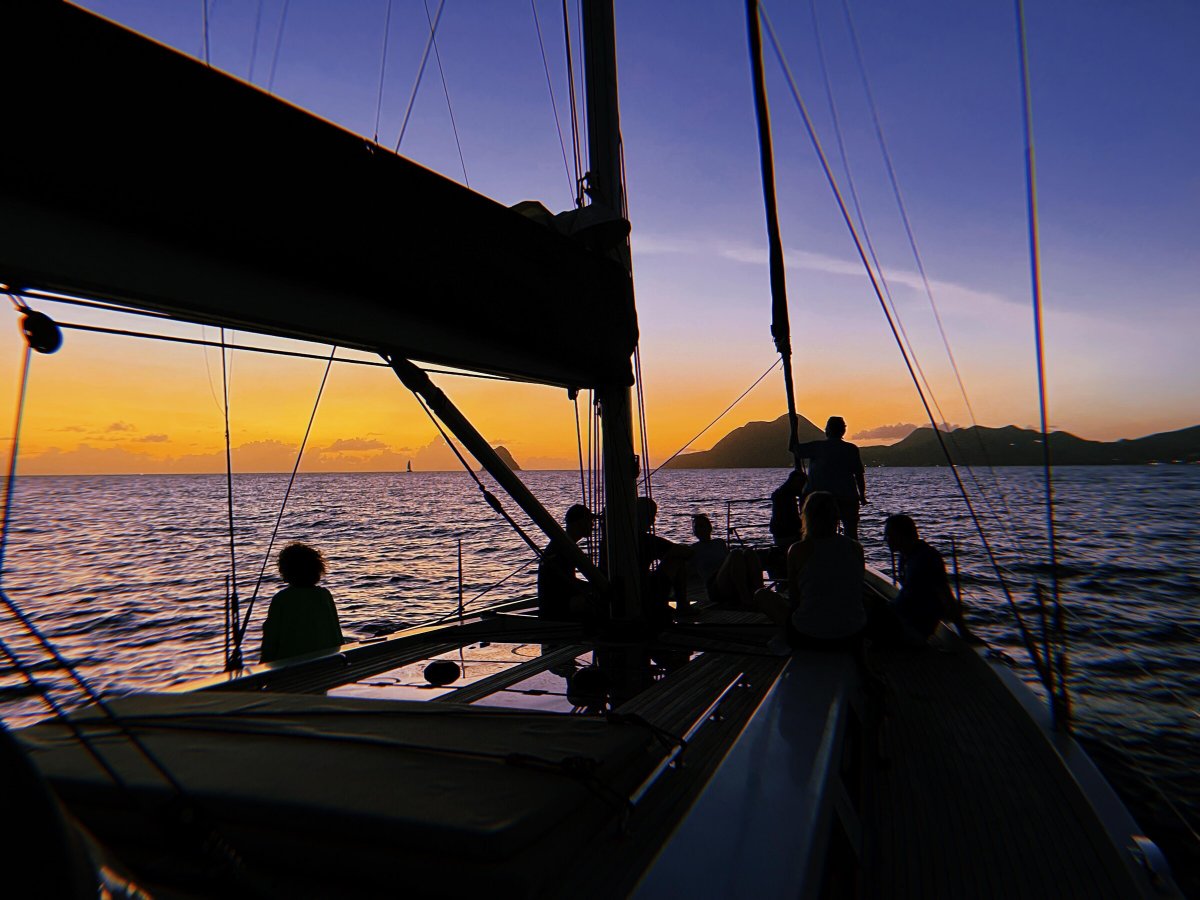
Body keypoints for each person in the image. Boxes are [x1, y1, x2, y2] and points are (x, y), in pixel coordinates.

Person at [754, 491, 866, 649]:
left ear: (806, 517)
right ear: (836, 516)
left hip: (810, 635)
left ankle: (788, 636)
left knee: (761, 595)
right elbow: (858, 588)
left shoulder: (798, 550)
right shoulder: (856, 547)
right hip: (853, 632)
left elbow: (795, 598)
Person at [873, 514, 982, 645]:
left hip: (913, 628)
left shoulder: (927, 559)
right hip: (900, 616)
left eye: (889, 536)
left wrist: (963, 631)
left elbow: (945, 595)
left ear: (902, 535)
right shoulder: (905, 556)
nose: (886, 540)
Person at [260, 542, 344, 663]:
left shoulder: (281, 599)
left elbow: (270, 642)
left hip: (289, 670)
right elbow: (336, 634)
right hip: (327, 666)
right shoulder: (324, 595)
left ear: (286, 570)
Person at [794, 416, 866, 541]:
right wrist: (862, 496)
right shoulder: (851, 449)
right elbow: (859, 475)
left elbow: (794, 449)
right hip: (846, 496)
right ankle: (851, 556)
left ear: (827, 430)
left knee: (816, 532)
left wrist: (794, 428)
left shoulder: (817, 447)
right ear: (843, 431)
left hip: (820, 499)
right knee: (851, 533)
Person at [537, 503, 599, 620]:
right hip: (556, 609)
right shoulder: (563, 548)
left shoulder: (563, 544)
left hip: (555, 603)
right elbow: (567, 583)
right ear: (579, 523)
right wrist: (595, 587)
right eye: (590, 521)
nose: (592, 525)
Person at [767, 468, 807, 578]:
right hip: (787, 535)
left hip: (781, 534)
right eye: (801, 484)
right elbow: (793, 522)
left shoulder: (781, 494)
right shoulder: (787, 498)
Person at [686, 513, 728, 602]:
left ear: (709, 528)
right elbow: (687, 570)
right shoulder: (694, 549)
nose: (699, 529)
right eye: (696, 527)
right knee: (736, 554)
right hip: (713, 583)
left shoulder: (719, 543)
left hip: (727, 577)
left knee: (748, 553)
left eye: (701, 526)